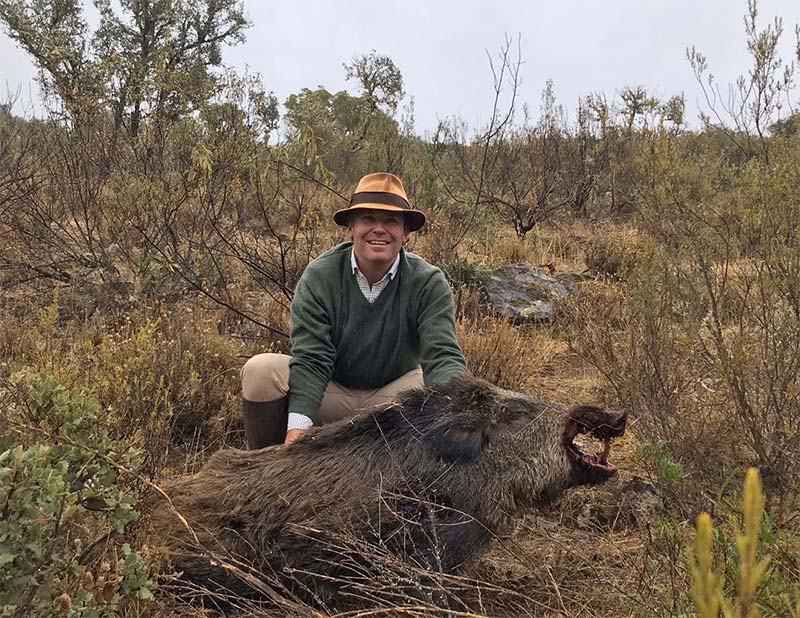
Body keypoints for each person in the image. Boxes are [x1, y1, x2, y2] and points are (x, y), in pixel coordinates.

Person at [240, 172, 468, 447]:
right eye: (368, 219)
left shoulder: (428, 281)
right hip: (332, 394)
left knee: (435, 387)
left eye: (391, 221)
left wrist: (460, 416)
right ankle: (265, 467)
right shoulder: (319, 276)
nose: (379, 229)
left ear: (405, 233)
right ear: (351, 227)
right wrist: (297, 433)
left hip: (393, 399)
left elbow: (442, 355)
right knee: (260, 371)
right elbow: (312, 359)